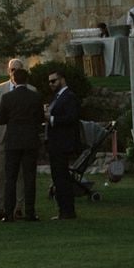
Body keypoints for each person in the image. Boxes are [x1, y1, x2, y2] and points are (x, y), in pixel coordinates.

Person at [0, 64, 44, 221]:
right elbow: (40, 119)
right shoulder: (35, 97)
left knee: (11, 177)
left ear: (13, 80)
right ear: (27, 80)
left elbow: (0, 119)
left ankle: (8, 213)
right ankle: (30, 212)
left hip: (13, 141)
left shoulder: (8, 98)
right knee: (29, 177)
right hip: (30, 140)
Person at [0, 57, 32, 221]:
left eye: (17, 69)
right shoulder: (0, 89)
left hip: (21, 139)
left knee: (20, 175)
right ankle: (0, 207)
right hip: (4, 138)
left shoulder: (31, 90)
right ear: (8, 71)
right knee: (1, 174)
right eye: (12, 69)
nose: (14, 72)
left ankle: (18, 207)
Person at [45, 67, 82, 220]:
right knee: (58, 177)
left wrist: (51, 118)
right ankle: (63, 210)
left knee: (62, 178)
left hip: (62, 143)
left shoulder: (69, 96)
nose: (51, 84)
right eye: (49, 82)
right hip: (55, 143)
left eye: (54, 81)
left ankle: (67, 211)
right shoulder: (58, 97)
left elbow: (72, 118)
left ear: (62, 80)